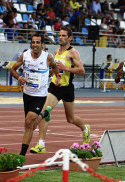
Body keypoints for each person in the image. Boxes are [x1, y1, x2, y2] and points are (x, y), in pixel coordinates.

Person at [29, 26, 91, 154]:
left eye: (64, 35)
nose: (61, 37)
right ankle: (41, 144)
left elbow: (82, 71)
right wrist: (53, 71)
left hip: (67, 88)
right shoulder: (57, 51)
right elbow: (57, 68)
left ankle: (85, 129)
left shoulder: (73, 53)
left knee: (71, 119)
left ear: (70, 38)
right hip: (54, 87)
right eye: (60, 35)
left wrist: (65, 68)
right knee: (44, 112)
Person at [9, 34, 61, 156]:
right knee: (30, 126)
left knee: (28, 122)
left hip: (40, 95)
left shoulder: (47, 57)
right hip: (27, 94)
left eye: (37, 43)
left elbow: (54, 67)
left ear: (42, 45)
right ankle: (44, 114)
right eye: (33, 42)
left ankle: (21, 156)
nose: (35, 45)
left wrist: (57, 77)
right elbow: (12, 70)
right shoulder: (25, 55)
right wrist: (19, 77)